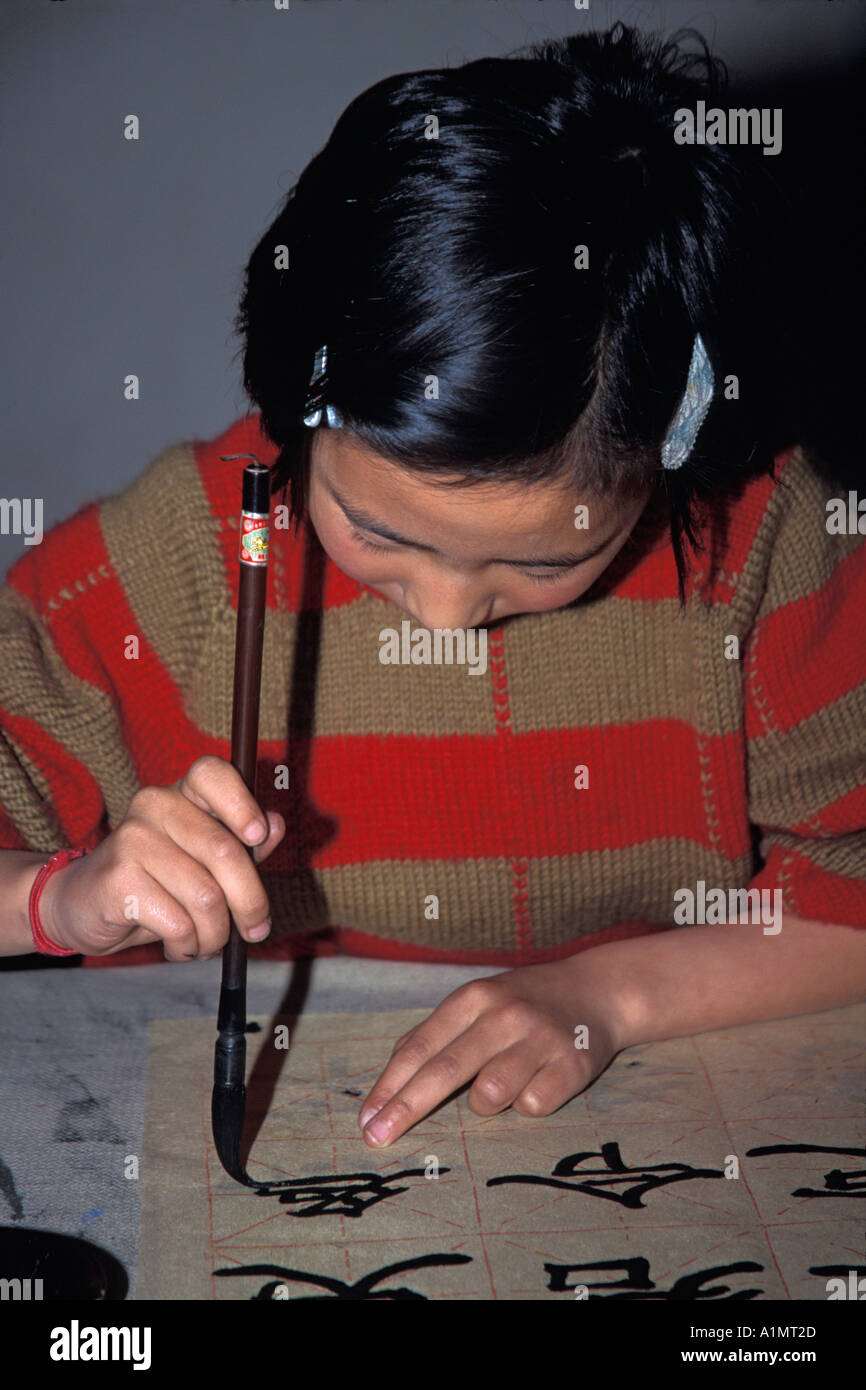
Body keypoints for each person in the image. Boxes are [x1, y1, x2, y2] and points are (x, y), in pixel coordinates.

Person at [1, 25, 864, 1151]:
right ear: (291, 407)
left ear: (675, 446)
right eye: (372, 528)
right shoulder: (179, 559)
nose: (449, 617)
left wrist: (611, 996)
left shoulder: (756, 543)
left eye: (546, 561)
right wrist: (59, 899)